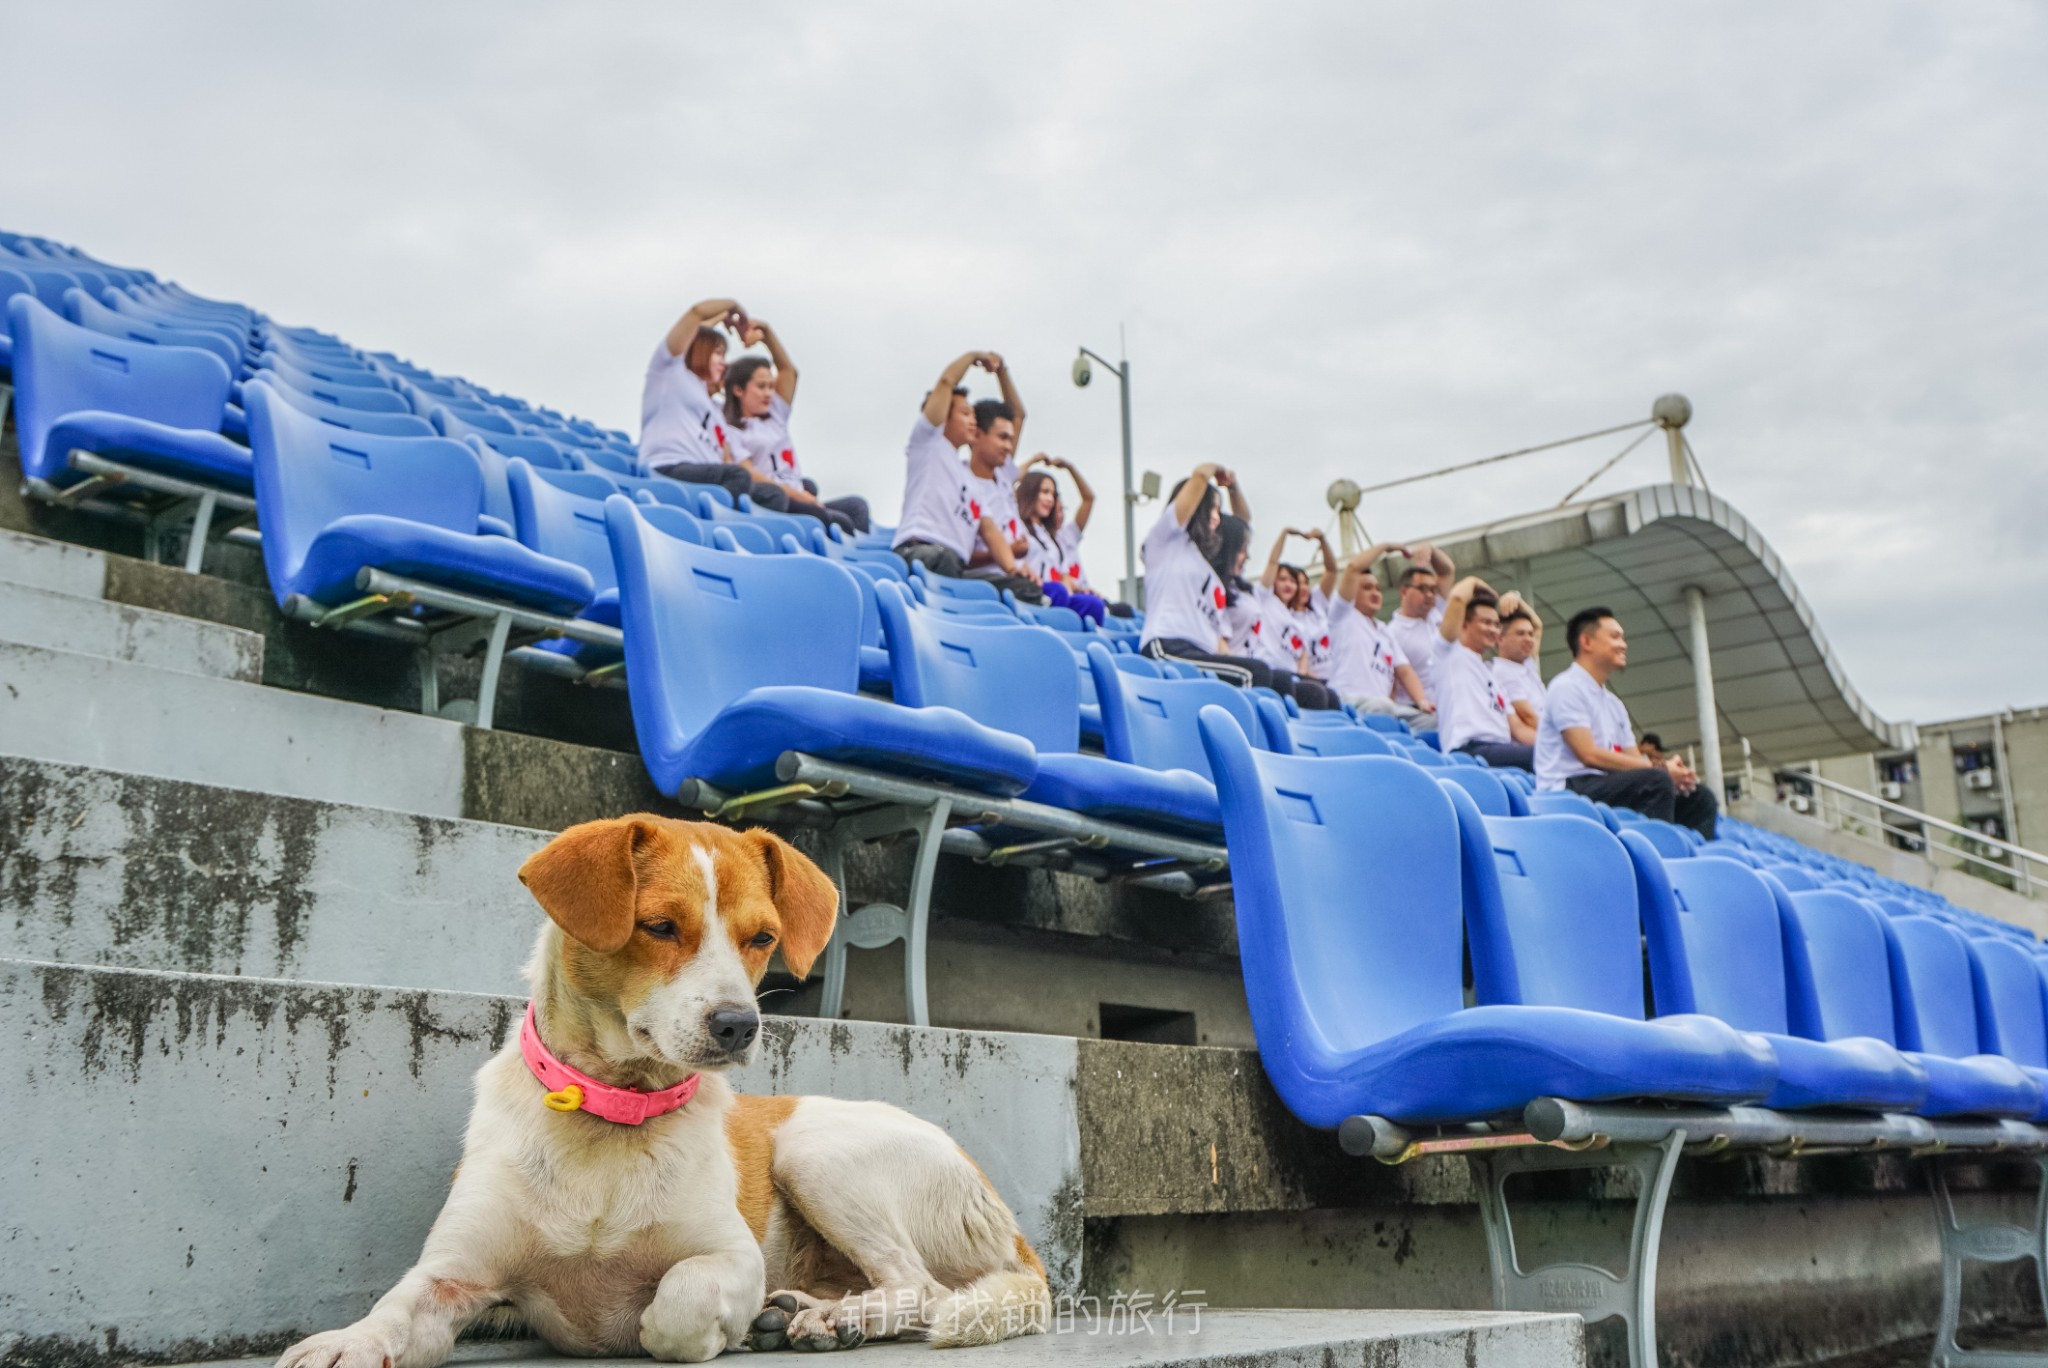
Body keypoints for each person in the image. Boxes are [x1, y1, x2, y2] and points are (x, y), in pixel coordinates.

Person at [1535, 606, 1719, 837]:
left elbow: (1634, 759)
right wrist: (1661, 769)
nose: (1623, 644)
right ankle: (1658, 859)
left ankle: (1686, 862)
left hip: (1605, 785)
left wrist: (1673, 772)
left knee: (1700, 798)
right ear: (1587, 642)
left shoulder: (1614, 704)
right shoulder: (1566, 687)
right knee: (1656, 780)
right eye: (1615, 637)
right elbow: (1588, 755)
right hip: (1568, 788)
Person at [891, 353, 1039, 601]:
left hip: (955, 567)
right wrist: (973, 357)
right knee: (944, 559)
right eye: (965, 414)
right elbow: (947, 381)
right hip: (920, 553)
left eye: (973, 415)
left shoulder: (970, 478)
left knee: (1026, 589)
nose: (973, 421)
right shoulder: (929, 445)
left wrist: (1014, 569)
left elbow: (991, 532)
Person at [720, 321, 870, 534]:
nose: (768, 394)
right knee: (835, 521)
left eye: (771, 387)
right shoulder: (732, 430)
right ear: (738, 390)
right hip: (778, 498)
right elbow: (749, 473)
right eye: (761, 387)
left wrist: (767, 334)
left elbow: (789, 371)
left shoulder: (775, 416)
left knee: (856, 506)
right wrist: (797, 495)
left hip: (801, 493)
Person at [1137, 463, 1278, 689]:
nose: (1217, 518)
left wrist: (1234, 490)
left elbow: (1242, 524)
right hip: (1168, 646)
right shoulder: (1166, 541)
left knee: (1271, 677)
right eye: (1212, 509)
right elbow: (1200, 474)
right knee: (1253, 675)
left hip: (1202, 653)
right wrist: (1218, 471)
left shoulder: (1207, 567)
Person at [639, 298, 789, 509]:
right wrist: (732, 308)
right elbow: (696, 315)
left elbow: (726, 456)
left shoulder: (710, 403)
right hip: (667, 467)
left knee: (772, 495)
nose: (724, 362)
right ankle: (713, 522)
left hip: (703, 474)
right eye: (718, 353)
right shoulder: (670, 373)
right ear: (700, 351)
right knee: (738, 476)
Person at [1212, 519, 1336, 709]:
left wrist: (1303, 672)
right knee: (1304, 689)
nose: (1289, 585)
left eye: (1293, 581)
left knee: (1328, 695)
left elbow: (1302, 653)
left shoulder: (1296, 617)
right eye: (1282, 579)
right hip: (1265, 667)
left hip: (1286, 672)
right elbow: (1272, 561)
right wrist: (1285, 532)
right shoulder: (1264, 599)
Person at [1431, 577, 1535, 769]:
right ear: (1464, 624)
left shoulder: (1492, 676)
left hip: (1499, 750)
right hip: (1469, 751)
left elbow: (1519, 730)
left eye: (1496, 625)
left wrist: (1558, 748)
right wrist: (1488, 590)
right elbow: (1457, 599)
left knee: (1557, 758)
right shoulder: (1449, 654)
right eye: (1486, 622)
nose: (1493, 630)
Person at [1326, 543, 1433, 721]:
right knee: (1383, 707)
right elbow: (1353, 568)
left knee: (1433, 722)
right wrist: (1385, 547)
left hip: (1383, 708)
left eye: (1377, 588)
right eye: (1367, 588)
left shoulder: (1384, 631)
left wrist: (1423, 702)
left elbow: (1405, 672)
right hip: (1348, 702)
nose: (1375, 593)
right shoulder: (1343, 616)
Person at [959, 385, 1043, 602]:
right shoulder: (961, 483)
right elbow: (960, 556)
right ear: (976, 434)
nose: (1008, 446)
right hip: (992, 585)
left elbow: (1019, 414)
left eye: (1010, 439)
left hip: (1023, 576)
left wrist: (1001, 371)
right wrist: (1008, 552)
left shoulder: (1003, 474)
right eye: (1002, 438)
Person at [1016, 459, 1110, 623]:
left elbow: (1063, 576)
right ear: (1030, 492)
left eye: (1052, 494)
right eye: (1044, 492)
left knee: (1094, 604)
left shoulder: (1052, 537)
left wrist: (1076, 588)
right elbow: (1007, 478)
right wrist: (1035, 459)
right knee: (1058, 591)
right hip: (1031, 590)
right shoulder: (1017, 523)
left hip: (1056, 594)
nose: (1050, 499)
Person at [1385, 544, 1455, 723]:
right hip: (1419, 711)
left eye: (1433, 589)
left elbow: (1447, 571)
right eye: (1423, 589)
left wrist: (1431, 550)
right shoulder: (1392, 632)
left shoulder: (1435, 613)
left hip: (1450, 706)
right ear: (1404, 591)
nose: (1430, 595)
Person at [1492, 599, 1546, 736]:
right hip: (1535, 741)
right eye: (1520, 634)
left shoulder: (1526, 664)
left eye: (1530, 634)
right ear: (1500, 639)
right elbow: (1528, 717)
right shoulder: (1502, 672)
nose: (1528, 639)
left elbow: (1537, 626)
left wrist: (1516, 599)